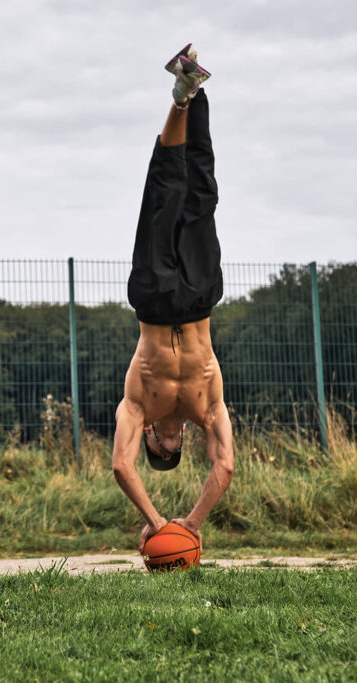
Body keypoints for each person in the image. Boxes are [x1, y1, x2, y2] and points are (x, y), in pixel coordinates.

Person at [112, 43, 234, 557]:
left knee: (164, 193)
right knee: (201, 196)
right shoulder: (204, 408)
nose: (172, 441)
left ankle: (180, 98)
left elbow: (120, 466)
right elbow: (224, 465)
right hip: (201, 300)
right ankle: (199, 95)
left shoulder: (137, 406)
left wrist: (158, 522)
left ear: (152, 442)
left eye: (164, 447)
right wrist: (191, 524)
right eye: (175, 447)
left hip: (156, 301)